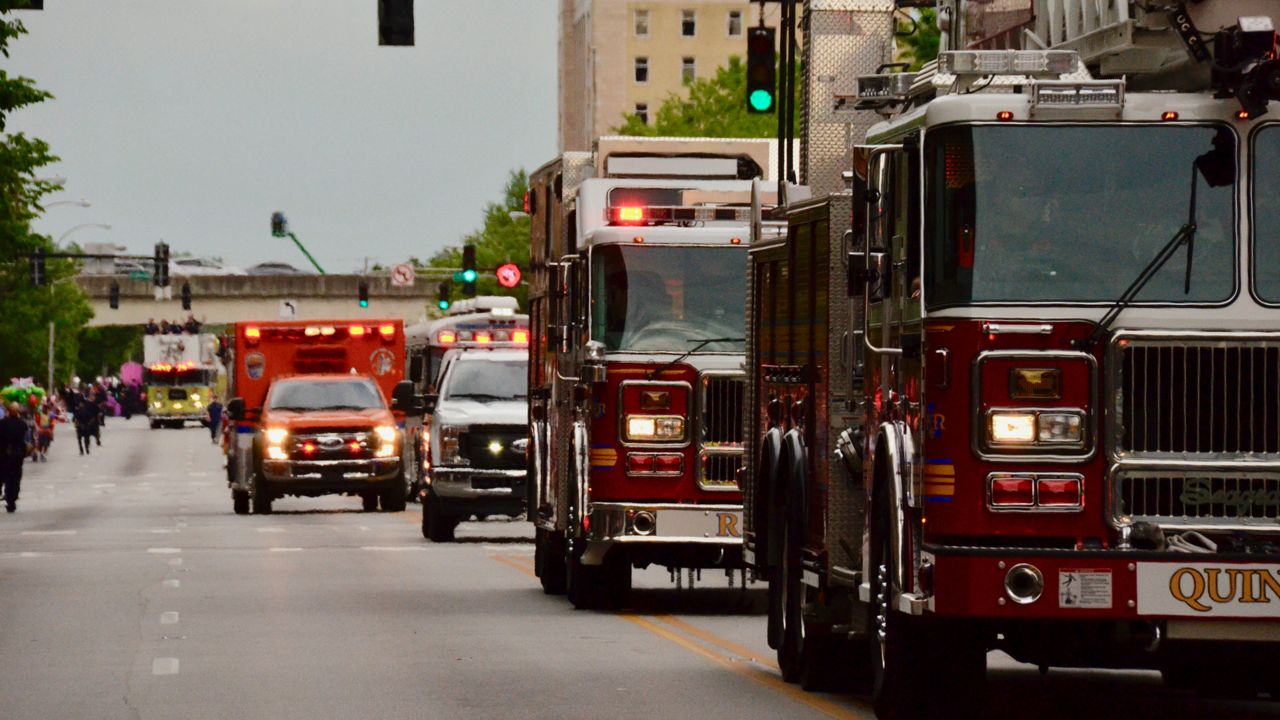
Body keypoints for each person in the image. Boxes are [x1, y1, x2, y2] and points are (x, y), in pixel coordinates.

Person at [0, 402, 31, 512]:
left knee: (8, 478)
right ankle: (12, 498)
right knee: (15, 478)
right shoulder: (22, 424)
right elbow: (27, 441)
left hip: (5, 455)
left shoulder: (2, 423)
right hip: (17, 455)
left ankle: (10, 499)